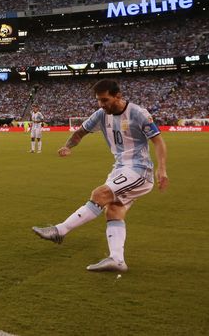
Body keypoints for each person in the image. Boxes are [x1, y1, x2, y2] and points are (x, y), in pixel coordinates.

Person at [32, 79, 169, 273]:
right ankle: (117, 260)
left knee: (99, 194)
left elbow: (158, 141)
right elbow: (80, 133)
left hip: (139, 170)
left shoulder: (138, 113)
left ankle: (59, 230)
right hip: (120, 169)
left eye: (105, 100)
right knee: (113, 210)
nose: (101, 105)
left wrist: (162, 169)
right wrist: (67, 146)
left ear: (118, 96)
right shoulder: (100, 115)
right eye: (98, 100)